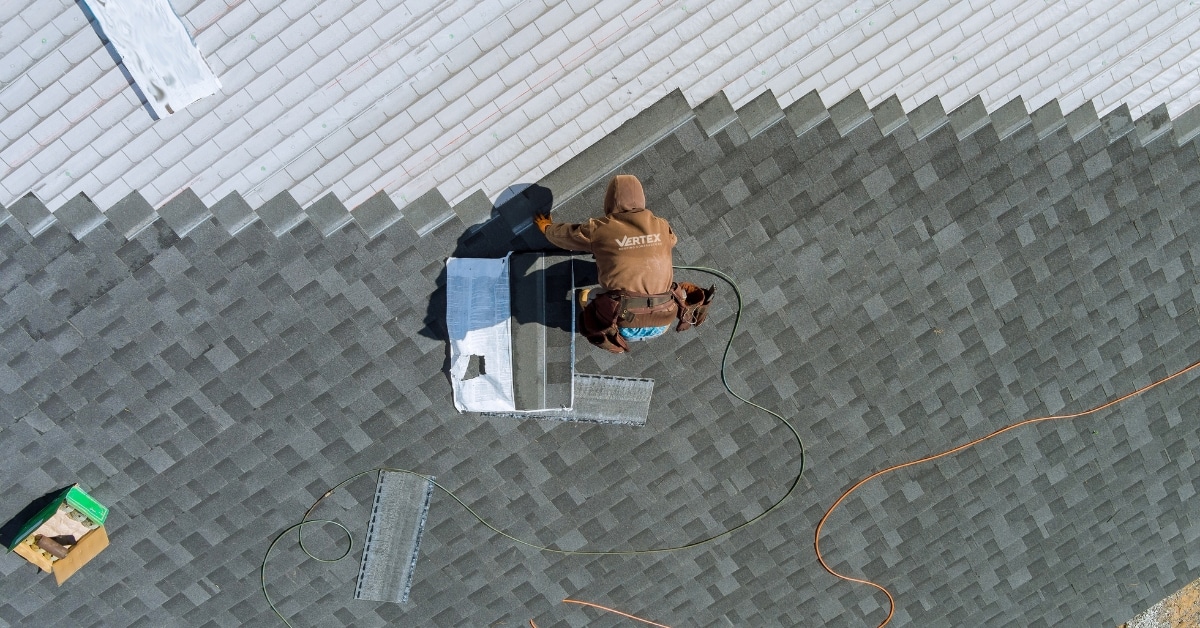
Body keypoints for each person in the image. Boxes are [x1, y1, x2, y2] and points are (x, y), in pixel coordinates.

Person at [534, 174, 679, 353]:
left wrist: (548, 229)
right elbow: (672, 240)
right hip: (663, 321)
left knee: (589, 296)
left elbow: (569, 236)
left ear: (610, 201)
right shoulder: (662, 225)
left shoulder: (601, 229)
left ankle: (603, 320)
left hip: (625, 324)